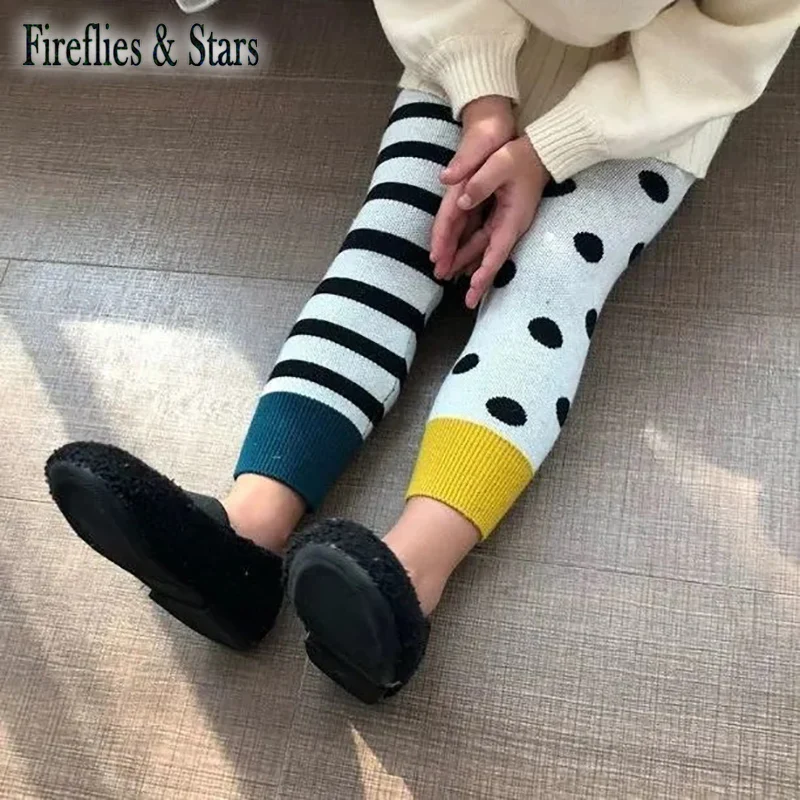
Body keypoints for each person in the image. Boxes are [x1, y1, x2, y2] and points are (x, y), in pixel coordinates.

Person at [46, 0, 798, 704]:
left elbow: (729, 40)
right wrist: (482, 99)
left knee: (548, 282)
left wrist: (550, 149)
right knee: (391, 244)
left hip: (652, 108)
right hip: (464, 51)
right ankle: (243, 538)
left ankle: (409, 579)